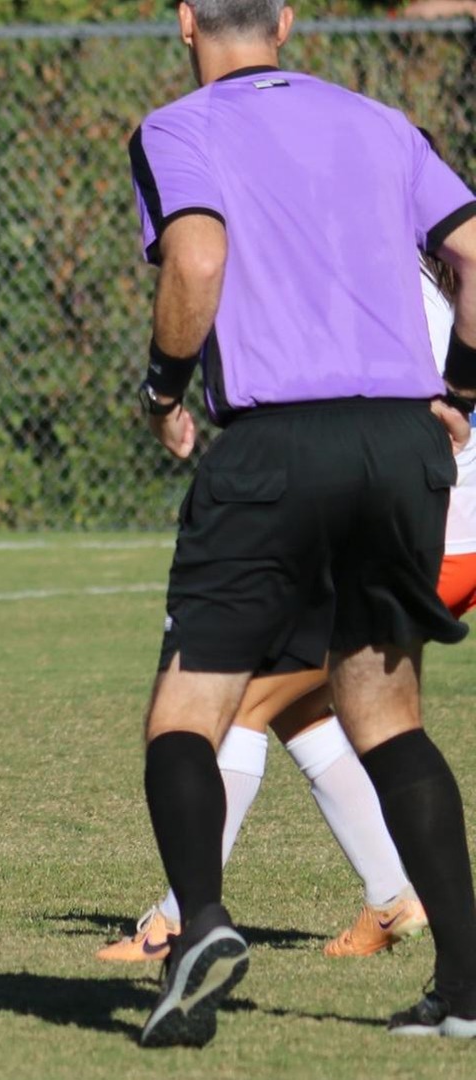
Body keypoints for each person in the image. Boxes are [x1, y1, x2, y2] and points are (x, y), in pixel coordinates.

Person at [128, 0, 476, 1047]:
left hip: (276, 446)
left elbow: (195, 264)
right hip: (400, 444)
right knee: (387, 712)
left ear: (186, 20)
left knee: (185, 715)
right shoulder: (380, 122)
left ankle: (201, 928)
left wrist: (159, 393)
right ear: (284, 18)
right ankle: (463, 987)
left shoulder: (178, 128)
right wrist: (457, 393)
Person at [98, 258, 475, 966]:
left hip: (435, 538)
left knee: (241, 703)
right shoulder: (404, 282)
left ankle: (180, 920)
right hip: (430, 527)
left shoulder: (378, 286)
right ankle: (393, 897)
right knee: (302, 704)